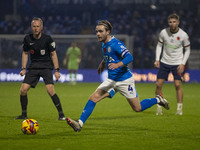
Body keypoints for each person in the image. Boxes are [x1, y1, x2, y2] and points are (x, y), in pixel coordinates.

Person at [66, 20, 169, 132]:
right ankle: (79, 124)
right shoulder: (103, 43)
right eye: (96, 31)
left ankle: (158, 99)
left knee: (137, 108)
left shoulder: (116, 44)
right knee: (93, 97)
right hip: (111, 80)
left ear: (108, 32)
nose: (98, 34)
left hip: (124, 80)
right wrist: (102, 63)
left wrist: (118, 64)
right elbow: (108, 55)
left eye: (100, 31)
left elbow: (129, 57)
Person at [15, 17, 65, 120]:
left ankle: (61, 115)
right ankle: (24, 114)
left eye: (38, 26)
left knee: (50, 90)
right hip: (33, 68)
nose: (36, 28)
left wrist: (57, 70)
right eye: (34, 26)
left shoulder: (48, 39)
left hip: (46, 67)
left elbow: (53, 54)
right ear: (31, 27)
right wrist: (23, 68)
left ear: (41, 27)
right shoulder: (27, 39)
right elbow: (25, 53)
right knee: (23, 90)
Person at [154, 13, 190, 115]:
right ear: (168, 22)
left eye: (174, 22)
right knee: (158, 84)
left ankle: (179, 109)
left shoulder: (183, 35)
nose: (172, 24)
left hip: (177, 63)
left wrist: (183, 64)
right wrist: (157, 59)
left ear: (178, 22)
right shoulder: (163, 33)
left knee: (178, 85)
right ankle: (159, 107)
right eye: (170, 22)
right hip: (164, 62)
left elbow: (187, 50)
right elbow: (159, 46)